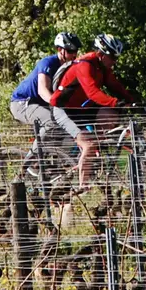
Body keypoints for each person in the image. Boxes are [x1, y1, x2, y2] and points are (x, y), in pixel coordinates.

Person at [52, 33, 135, 186]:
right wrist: (115, 102)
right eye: (113, 57)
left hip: (84, 107)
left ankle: (98, 155)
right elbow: (93, 92)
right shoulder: (84, 65)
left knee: (111, 115)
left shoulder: (103, 67)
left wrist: (132, 100)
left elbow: (115, 86)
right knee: (89, 145)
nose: (115, 62)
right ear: (101, 54)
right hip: (65, 109)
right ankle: (83, 188)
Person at [9, 32, 81, 159]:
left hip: (41, 104)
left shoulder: (70, 67)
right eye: (70, 51)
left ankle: (55, 163)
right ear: (60, 50)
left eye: (75, 51)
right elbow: (43, 90)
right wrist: (57, 105)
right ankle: (31, 161)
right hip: (23, 102)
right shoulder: (48, 63)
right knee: (51, 122)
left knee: (67, 127)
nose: (74, 54)